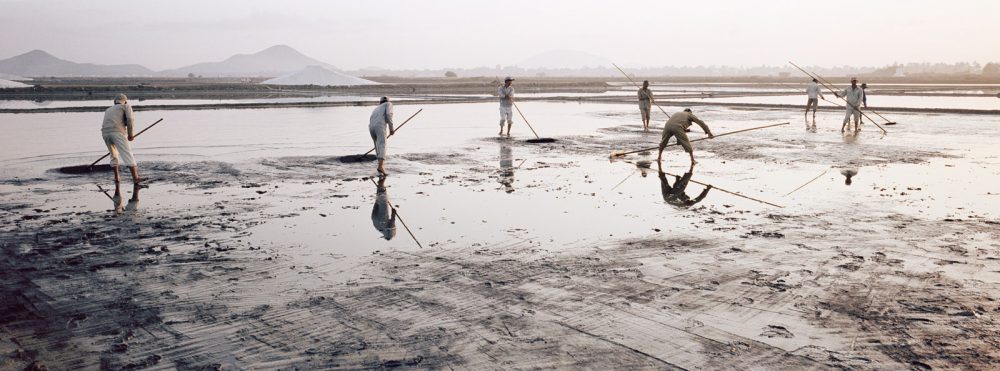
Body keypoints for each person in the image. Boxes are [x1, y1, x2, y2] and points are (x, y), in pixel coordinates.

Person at [101, 93, 141, 184]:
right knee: (127, 154)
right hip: (117, 132)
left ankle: (117, 178)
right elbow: (130, 120)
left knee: (114, 155)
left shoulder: (108, 109)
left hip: (105, 133)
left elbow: (119, 120)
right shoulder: (126, 106)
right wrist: (130, 135)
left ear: (114, 102)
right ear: (125, 101)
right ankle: (136, 178)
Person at [369, 96, 395, 175]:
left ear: (380, 102)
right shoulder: (388, 104)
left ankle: (379, 166)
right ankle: (380, 166)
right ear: (387, 101)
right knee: (383, 145)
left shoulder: (376, 108)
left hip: (371, 127)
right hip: (379, 126)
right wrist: (391, 128)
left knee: (377, 146)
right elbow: (388, 115)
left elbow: (372, 118)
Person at [371, 176, 397, 240]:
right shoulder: (381, 231)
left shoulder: (391, 234)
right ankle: (381, 181)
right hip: (374, 218)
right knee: (379, 199)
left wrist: (393, 213)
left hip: (381, 219)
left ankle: (381, 183)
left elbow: (392, 222)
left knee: (382, 199)